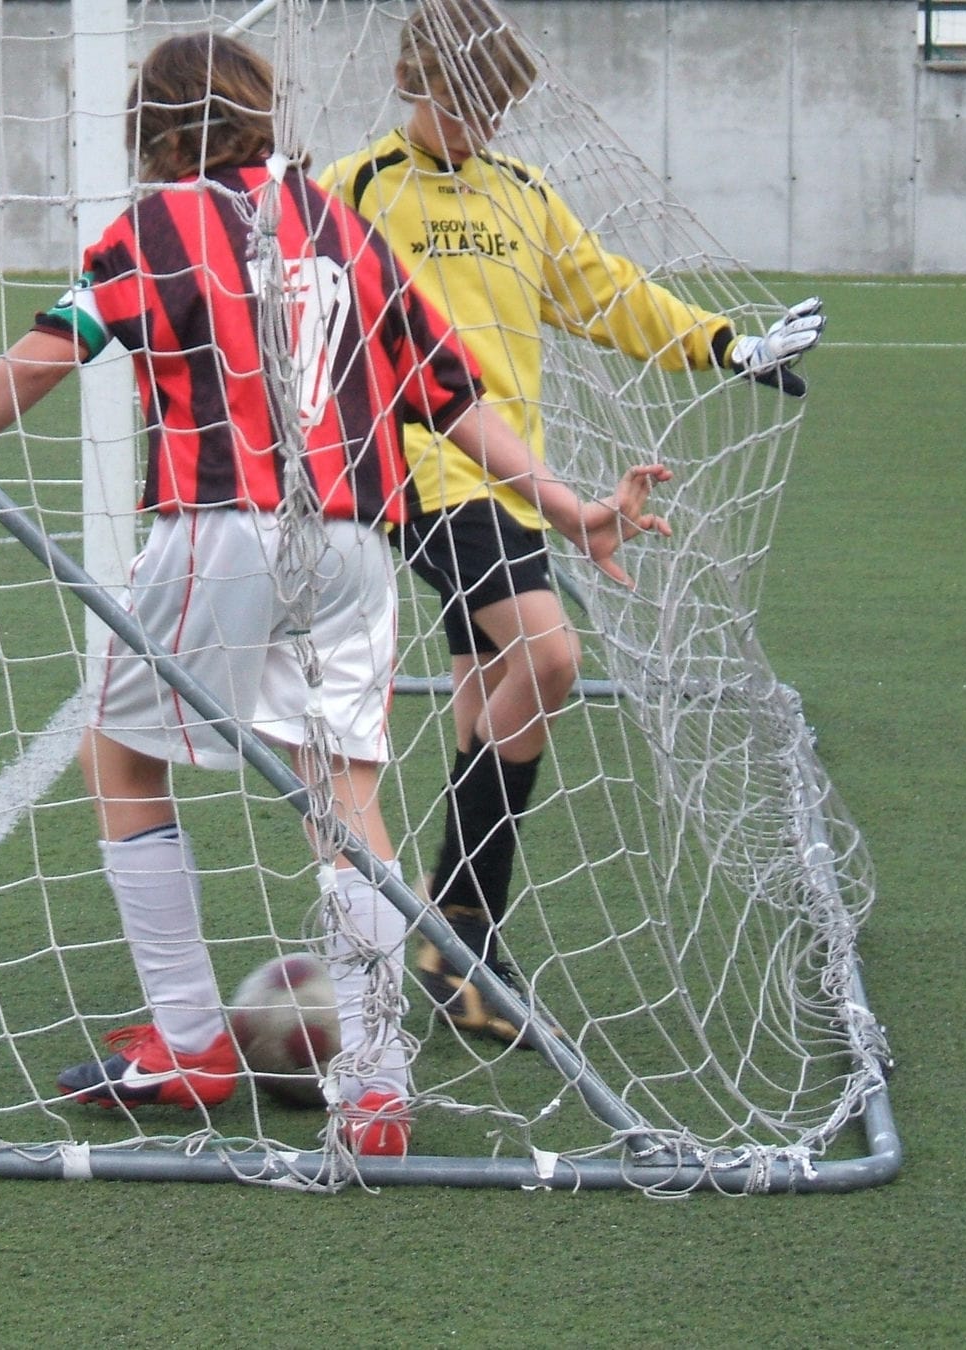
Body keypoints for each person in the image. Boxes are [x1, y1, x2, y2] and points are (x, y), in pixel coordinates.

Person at [0, 31, 672, 1156]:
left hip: (223, 527)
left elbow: (55, 344)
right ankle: (376, 1090)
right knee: (348, 801)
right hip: (356, 543)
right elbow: (450, 397)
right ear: (264, 114)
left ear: (157, 134)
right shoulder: (344, 225)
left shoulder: (166, 223)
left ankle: (187, 1041)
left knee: (119, 758)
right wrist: (567, 507)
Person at [318, 0, 824, 1046]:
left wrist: (727, 344)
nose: (486, 124)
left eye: (498, 107)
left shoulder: (522, 191)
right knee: (550, 658)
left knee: (486, 695)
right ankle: (458, 928)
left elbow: (609, 296)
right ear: (414, 84)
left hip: (516, 480)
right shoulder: (355, 188)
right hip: (419, 472)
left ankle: (454, 934)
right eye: (470, 103)